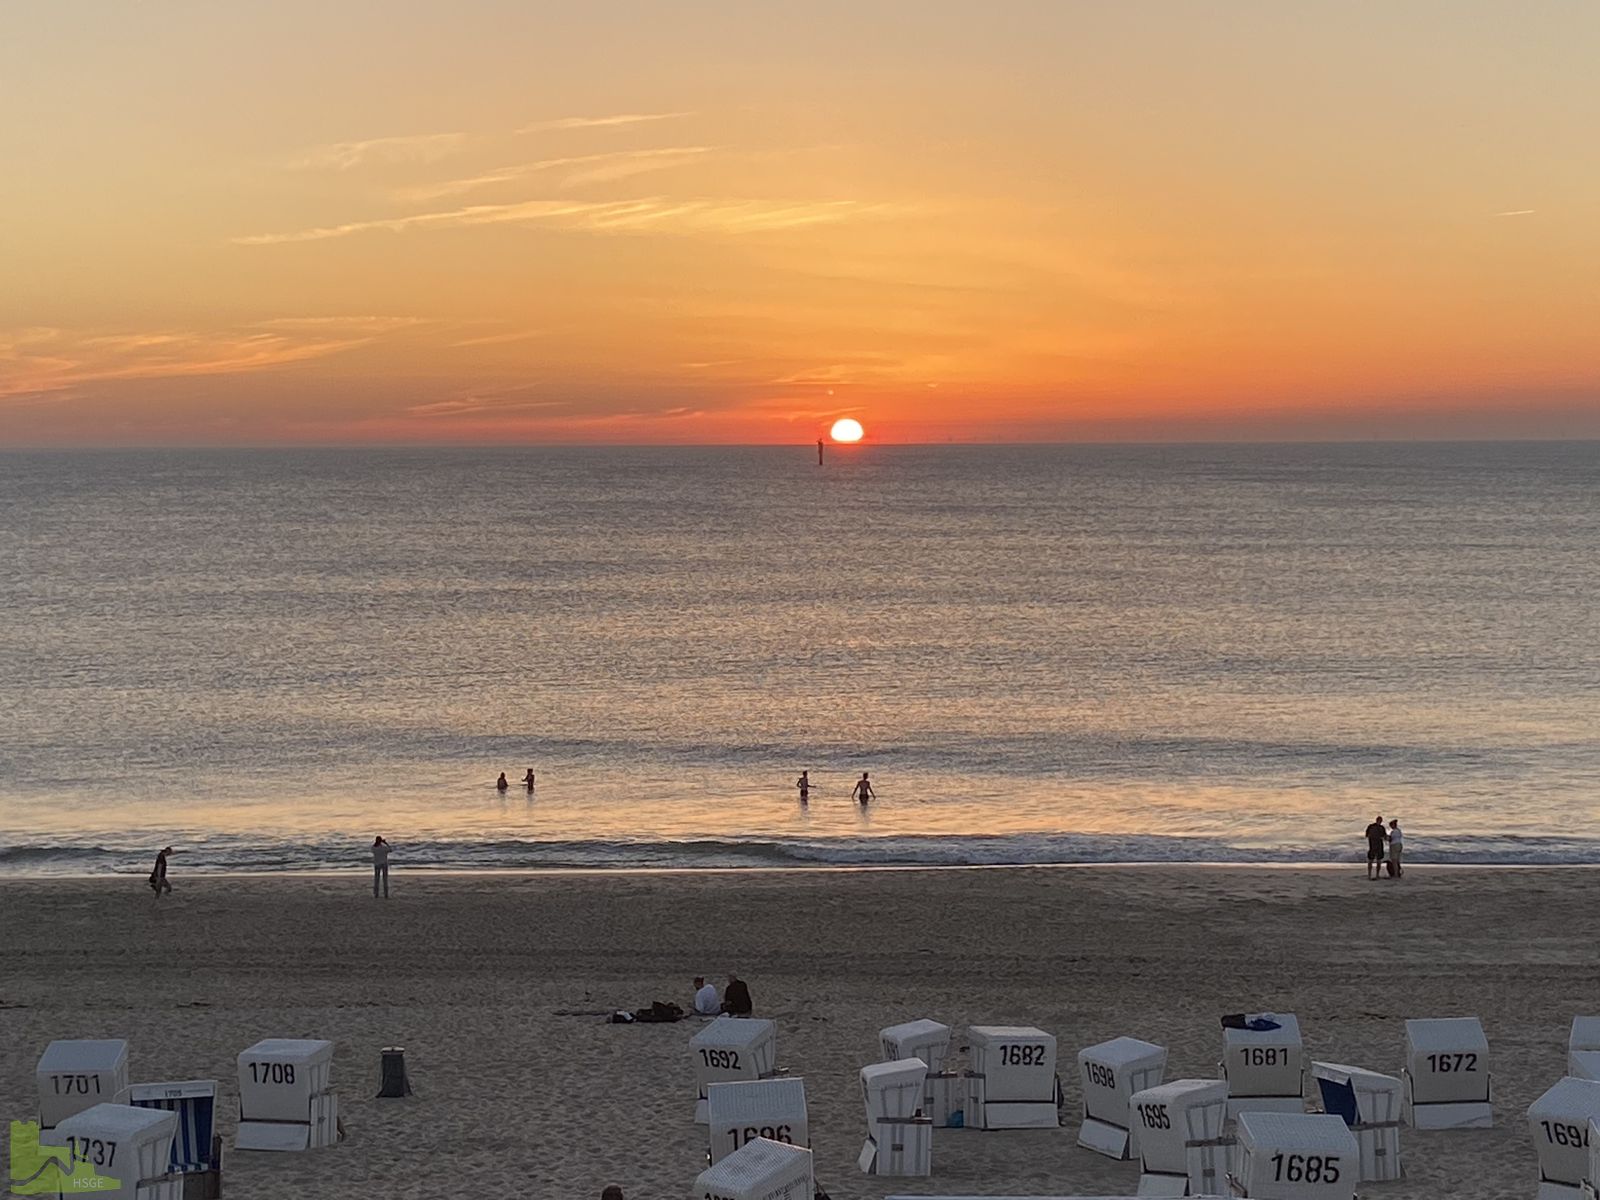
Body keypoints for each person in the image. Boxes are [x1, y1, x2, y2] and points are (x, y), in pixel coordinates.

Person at [1364, 815, 1387, 880]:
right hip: (1376, 845)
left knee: (1374, 860)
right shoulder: (1378, 827)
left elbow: (1367, 835)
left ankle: (1372, 874)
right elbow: (1384, 837)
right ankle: (1374, 874)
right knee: (1375, 860)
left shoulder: (1372, 827)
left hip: (1375, 845)